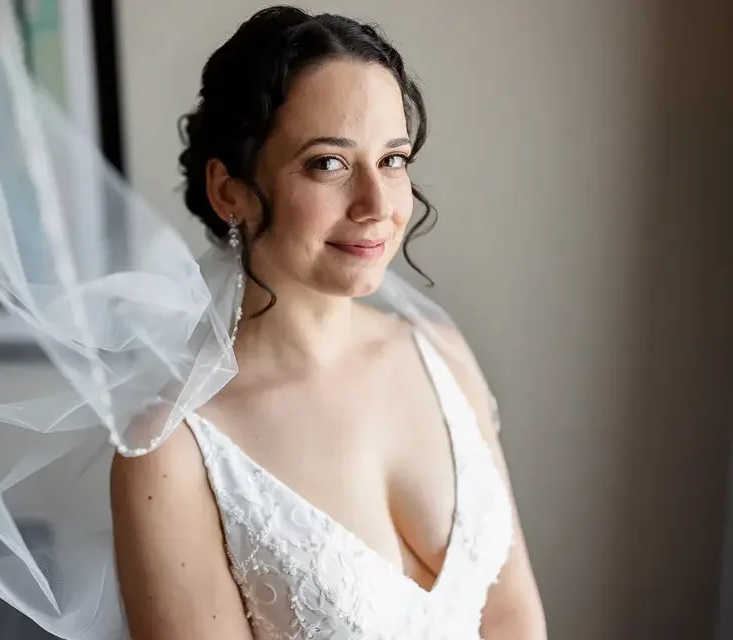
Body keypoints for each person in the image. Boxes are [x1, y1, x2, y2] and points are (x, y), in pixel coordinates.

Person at [110, 7, 548, 639]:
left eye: (393, 159)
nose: (377, 205)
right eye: (329, 164)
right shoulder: (173, 450)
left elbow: (514, 619)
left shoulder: (440, 355)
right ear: (229, 190)